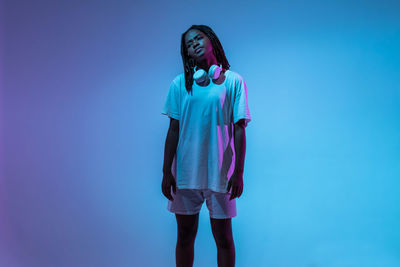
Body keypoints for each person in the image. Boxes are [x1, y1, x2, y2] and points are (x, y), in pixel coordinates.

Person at [161, 24, 251, 267]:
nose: (194, 44)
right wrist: (165, 173)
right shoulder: (180, 84)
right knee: (185, 237)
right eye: (189, 44)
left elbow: (239, 129)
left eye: (198, 38)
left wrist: (239, 173)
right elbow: (173, 130)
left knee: (224, 239)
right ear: (187, 53)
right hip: (185, 174)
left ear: (211, 39)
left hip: (220, 174)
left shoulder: (233, 81)